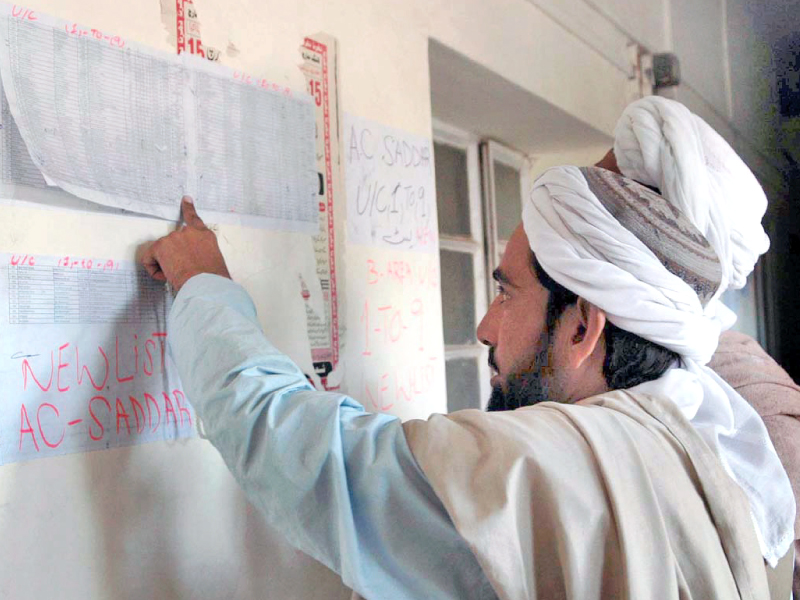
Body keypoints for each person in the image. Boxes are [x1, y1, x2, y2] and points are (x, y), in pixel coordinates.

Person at [142, 97, 795, 599]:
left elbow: (297, 454)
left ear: (581, 328)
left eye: (507, 294)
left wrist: (204, 283)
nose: (484, 326)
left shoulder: (554, 467)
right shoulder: (718, 428)